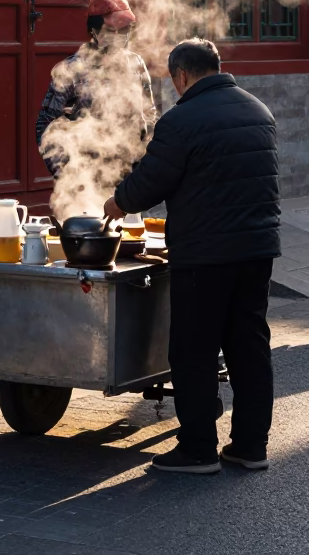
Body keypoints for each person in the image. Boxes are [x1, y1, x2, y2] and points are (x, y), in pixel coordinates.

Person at [104, 37, 280, 475]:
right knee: (248, 346)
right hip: (257, 250)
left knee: (194, 351)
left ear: (182, 75)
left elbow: (152, 180)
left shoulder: (183, 119)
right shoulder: (259, 110)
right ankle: (251, 446)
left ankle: (198, 449)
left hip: (206, 253)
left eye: (173, 80)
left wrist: (118, 202)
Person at [35, 0, 155, 174]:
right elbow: (45, 125)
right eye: (111, 31)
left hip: (130, 170)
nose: (119, 37)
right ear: (94, 32)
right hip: (86, 172)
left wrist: (145, 159)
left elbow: (149, 112)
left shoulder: (136, 63)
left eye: (124, 30)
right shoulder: (72, 70)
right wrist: (65, 173)